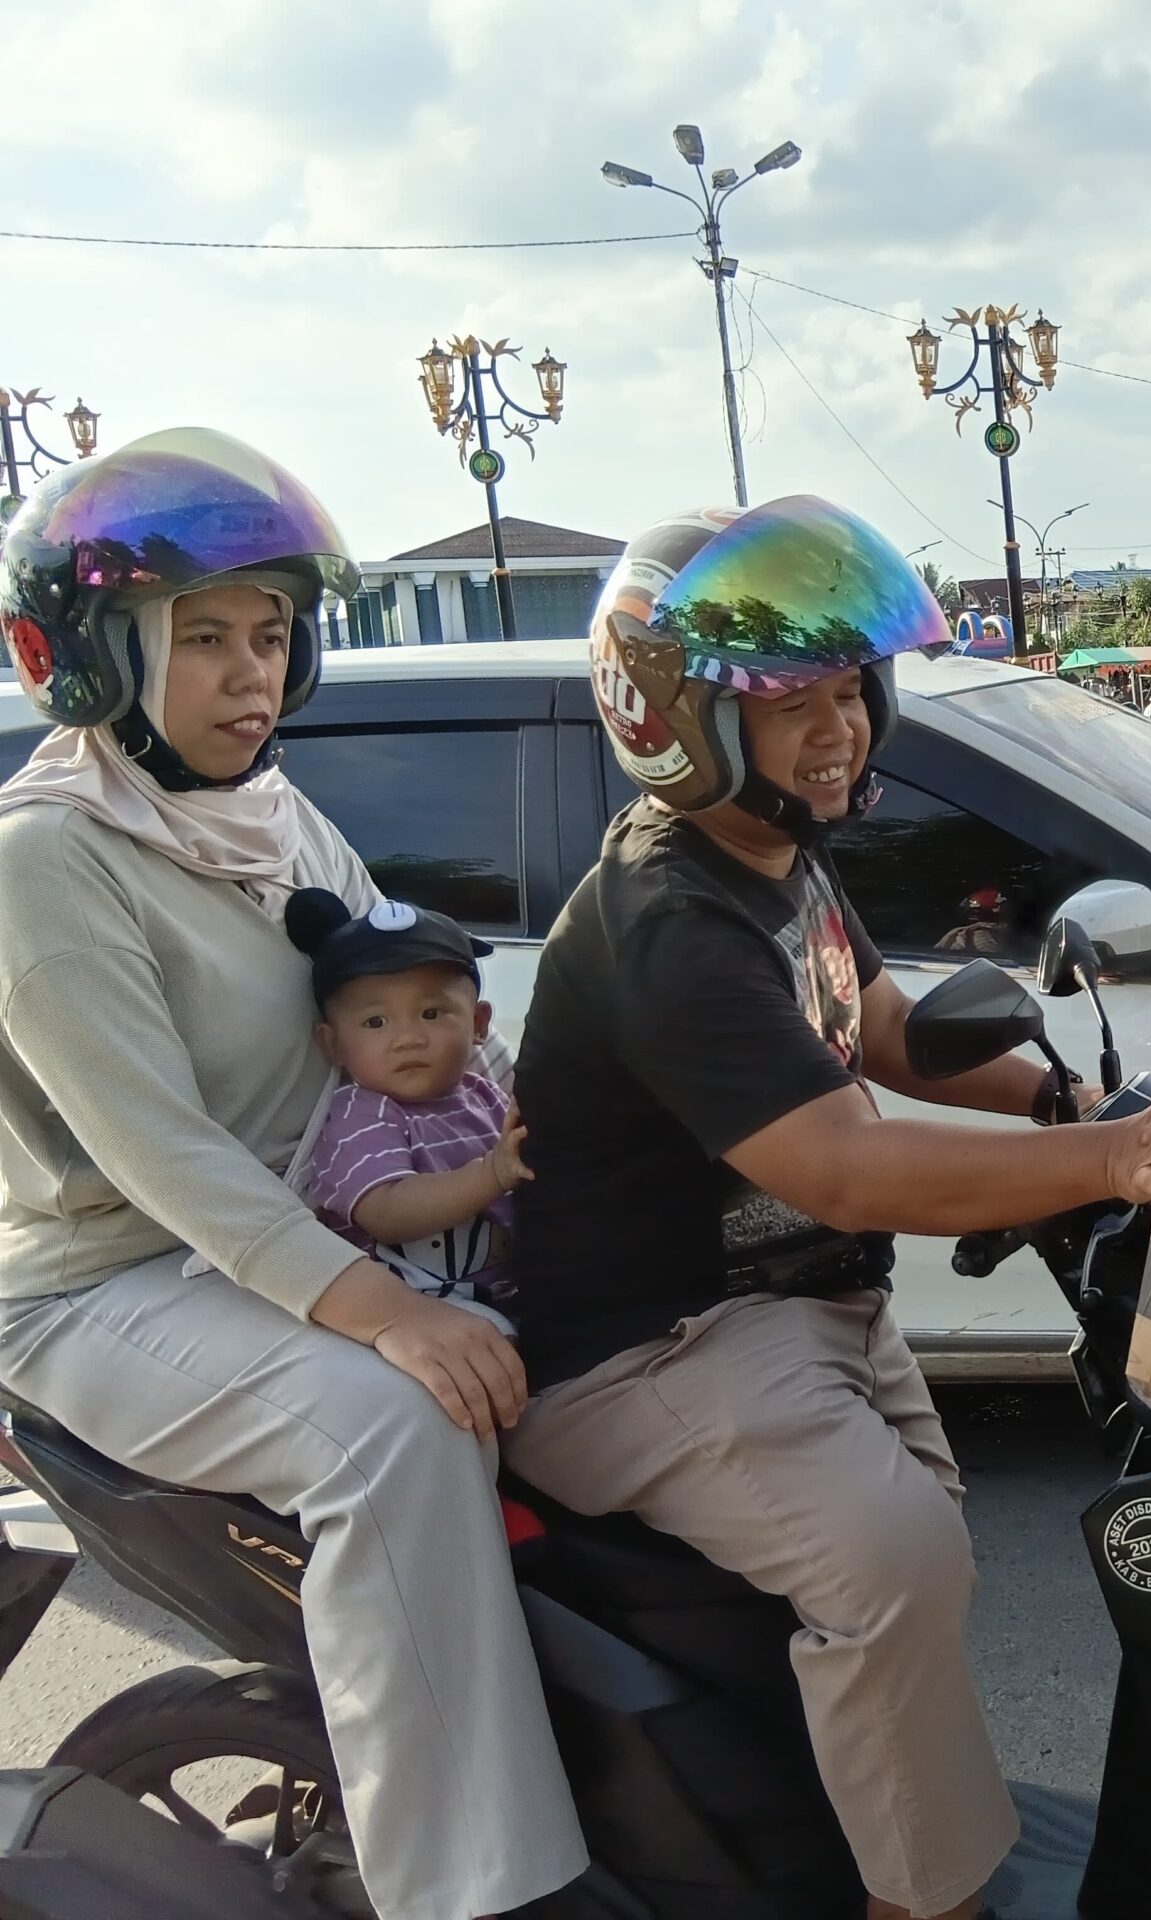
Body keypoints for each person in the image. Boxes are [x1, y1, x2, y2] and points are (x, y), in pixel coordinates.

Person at [501, 498, 1151, 1920]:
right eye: (792, 699)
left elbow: (880, 1022)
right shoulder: (668, 917)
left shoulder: (778, 855)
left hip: (792, 1312)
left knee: (927, 1542)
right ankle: (924, 1904)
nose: (840, 726)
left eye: (850, 688)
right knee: (896, 1565)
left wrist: (1059, 1105)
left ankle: (831, 1822)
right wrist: (1109, 1162)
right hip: (643, 1346)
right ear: (675, 715)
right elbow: (846, 1162)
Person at [0, 430, 585, 1920]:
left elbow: (405, 993)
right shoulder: (49, 856)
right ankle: (466, 1889)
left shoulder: (267, 816)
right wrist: (388, 1319)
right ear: (89, 656)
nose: (250, 675)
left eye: (270, 636)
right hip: (110, 1279)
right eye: (202, 640)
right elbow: (164, 1153)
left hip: (293, 1242)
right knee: (396, 1425)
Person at [288, 888, 527, 1321]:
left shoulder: (486, 1096)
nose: (408, 1038)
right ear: (333, 1043)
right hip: (421, 1310)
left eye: (432, 1014)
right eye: (376, 1022)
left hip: (505, 1294)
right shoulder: (362, 1113)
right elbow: (387, 1211)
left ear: (477, 1024)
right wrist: (493, 1172)